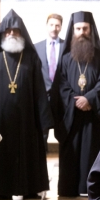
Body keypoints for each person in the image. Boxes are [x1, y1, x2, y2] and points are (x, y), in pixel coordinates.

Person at [0, 9, 53, 200]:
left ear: (22, 33)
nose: (12, 33)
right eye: (8, 31)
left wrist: (44, 120)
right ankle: (2, 190)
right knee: (1, 154)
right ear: (2, 34)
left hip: (27, 119)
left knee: (28, 152)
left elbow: (39, 89)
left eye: (16, 30)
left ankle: (30, 189)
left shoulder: (31, 58)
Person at [51, 11, 100, 197]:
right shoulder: (65, 59)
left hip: (93, 116)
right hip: (71, 117)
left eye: (85, 28)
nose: (81, 32)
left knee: (92, 152)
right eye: (78, 29)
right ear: (73, 31)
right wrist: (76, 100)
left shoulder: (98, 57)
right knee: (71, 155)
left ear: (91, 30)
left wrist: (89, 98)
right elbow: (61, 84)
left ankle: (91, 189)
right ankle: (70, 189)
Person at [34, 14, 65, 151]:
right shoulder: (36, 47)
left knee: (64, 133)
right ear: (47, 26)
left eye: (57, 25)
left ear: (61, 27)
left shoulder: (67, 46)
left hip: (62, 98)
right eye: (52, 25)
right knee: (42, 134)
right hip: (43, 97)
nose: (54, 28)